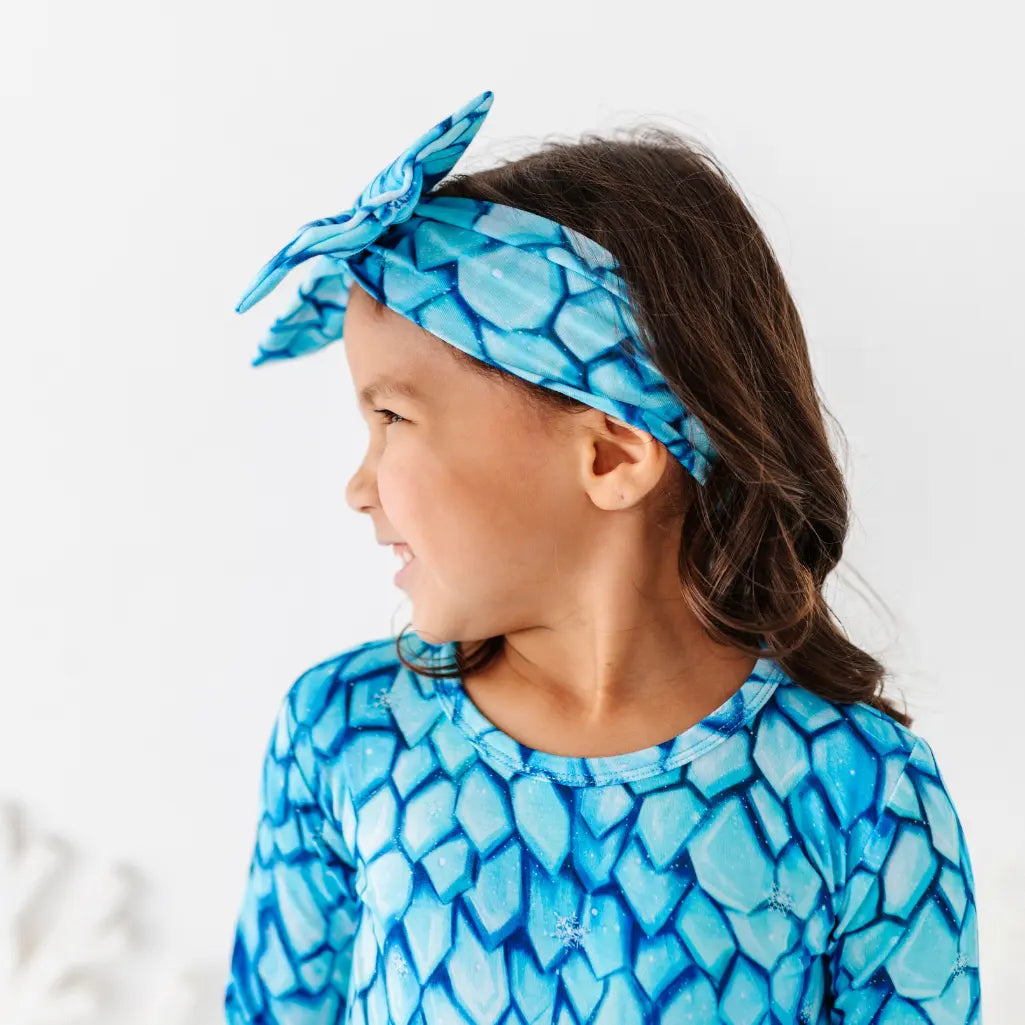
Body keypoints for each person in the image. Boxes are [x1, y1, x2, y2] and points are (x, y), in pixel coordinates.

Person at [223, 90, 981, 1024]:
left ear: (611, 455)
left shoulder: (858, 788)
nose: (359, 484)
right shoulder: (346, 735)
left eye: (391, 418)